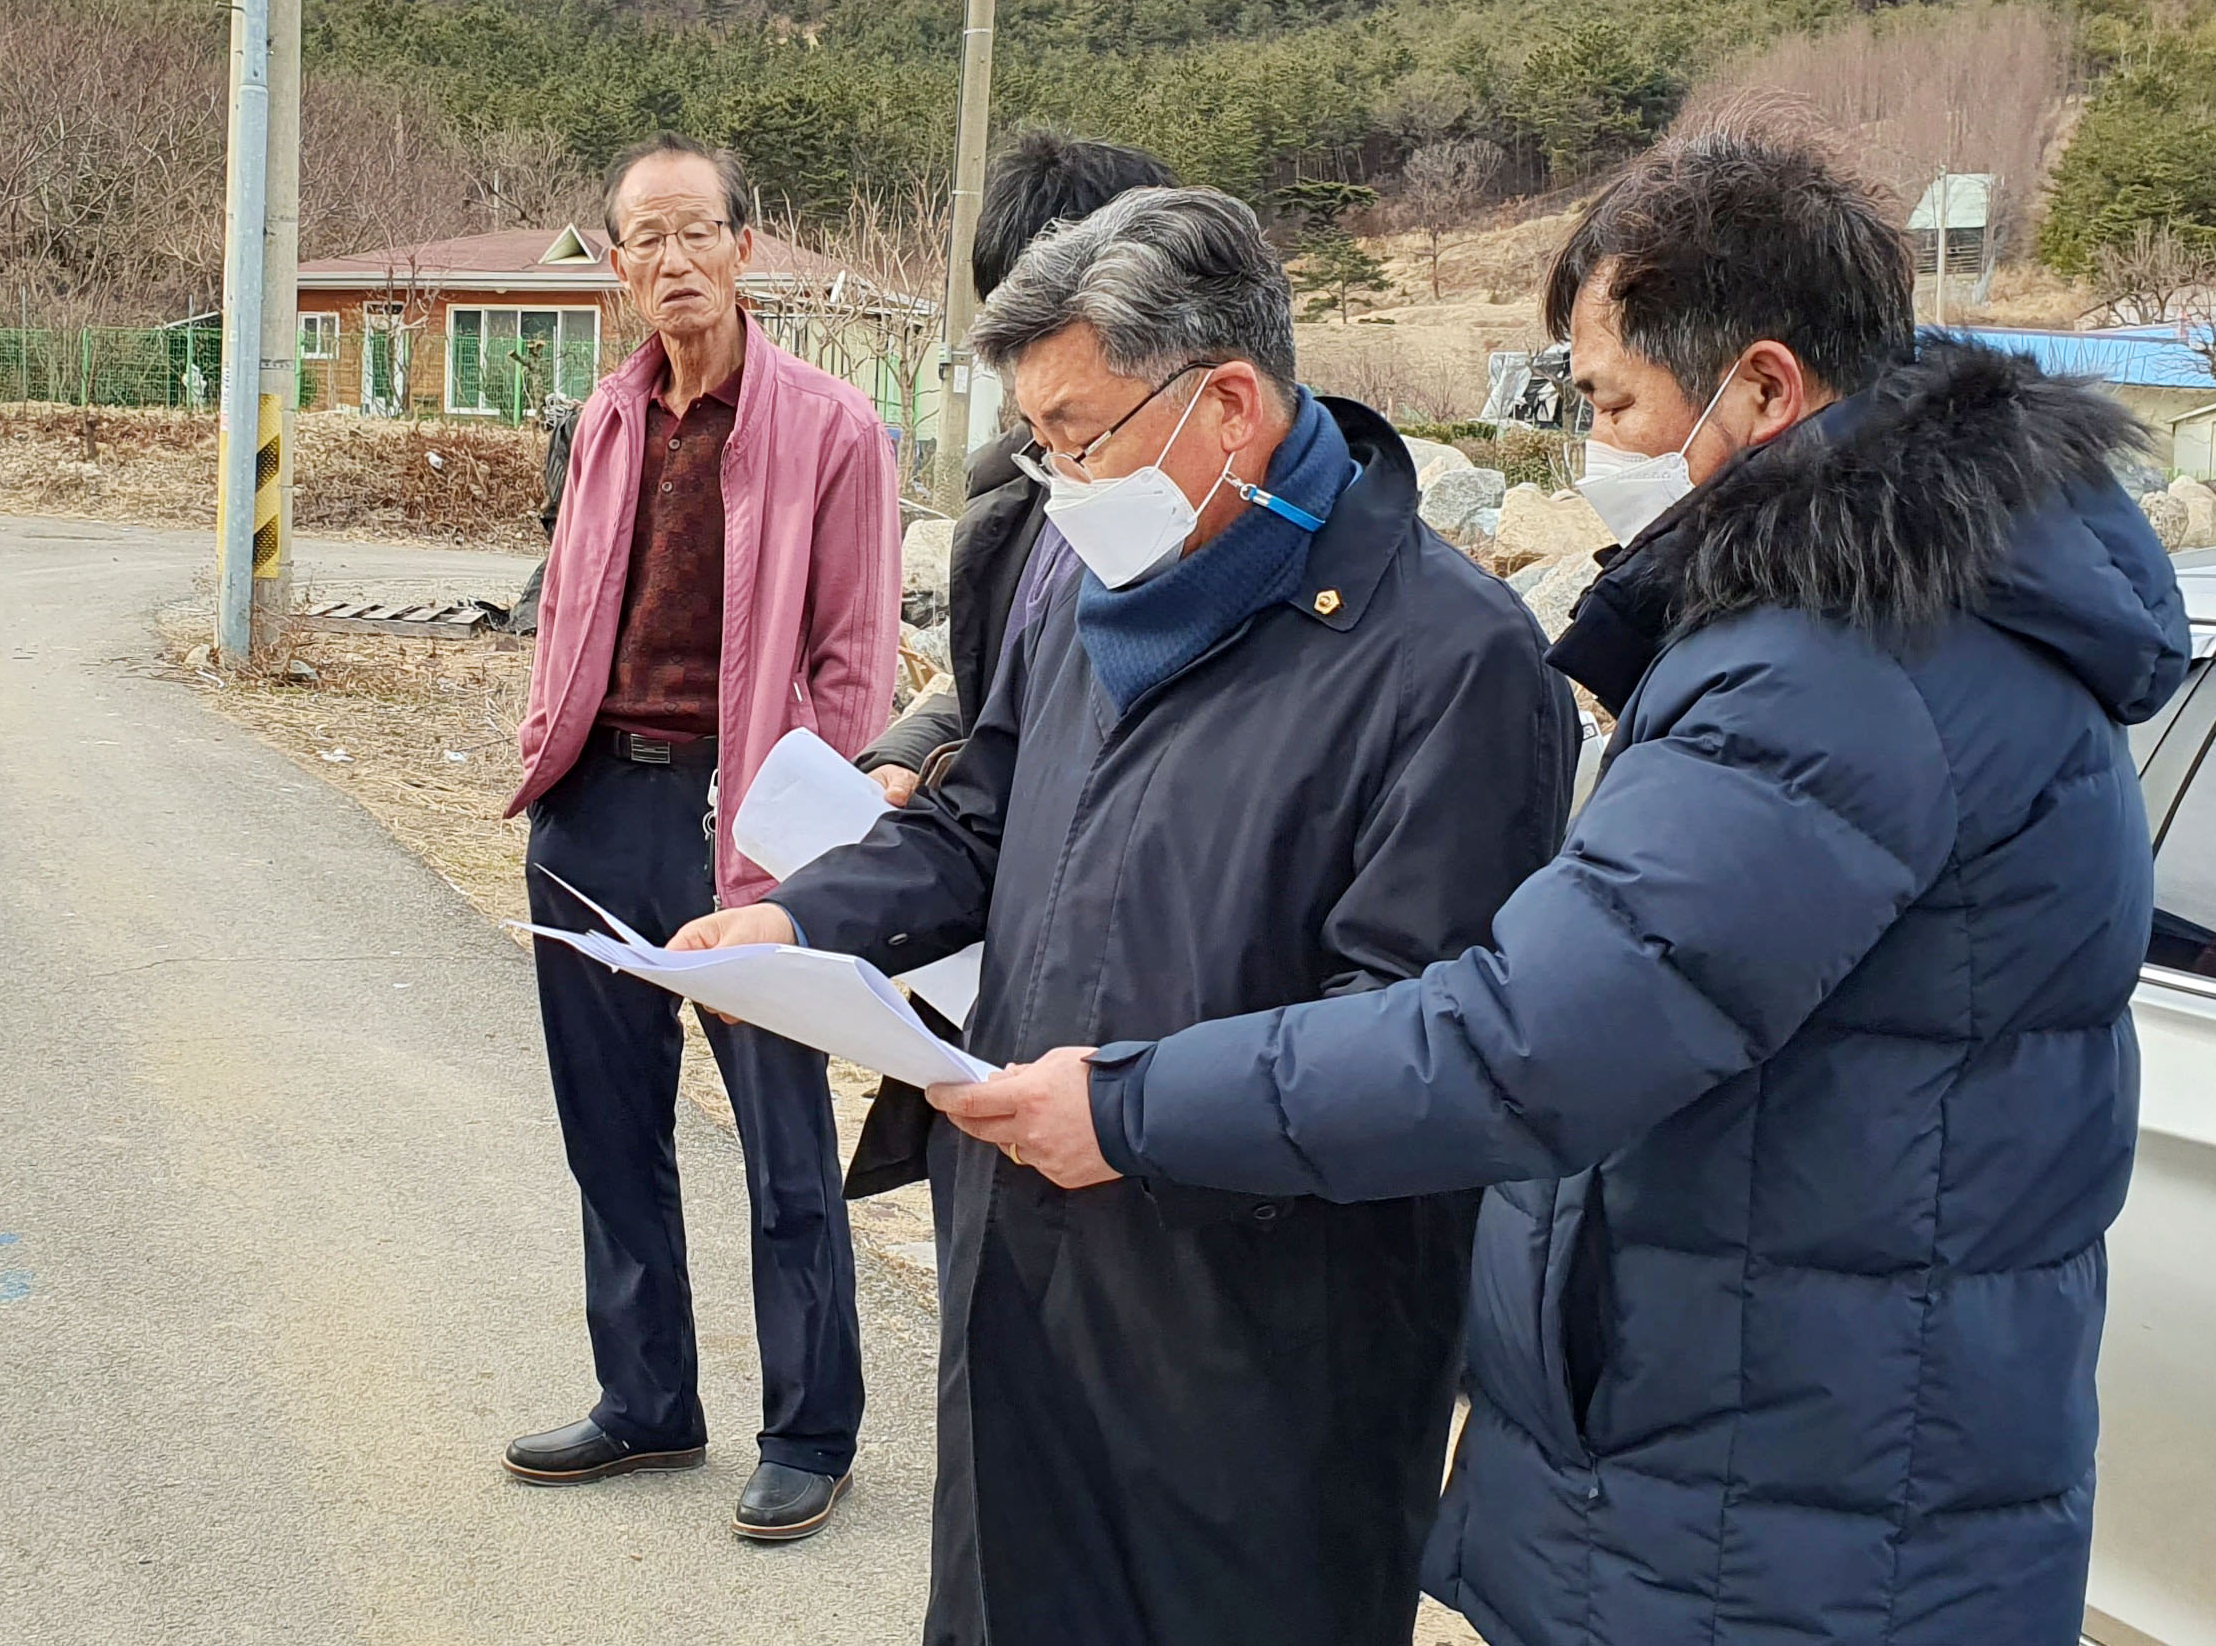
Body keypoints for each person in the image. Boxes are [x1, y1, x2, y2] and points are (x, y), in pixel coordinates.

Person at [956, 133, 2193, 1644]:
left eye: (1609, 399)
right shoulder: (1869, 620)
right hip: (1778, 1430)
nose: (1591, 440)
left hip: (1780, 1487)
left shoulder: (1836, 667)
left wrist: (1130, 1101)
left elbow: (1527, 1035)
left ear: (1756, 386)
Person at [671, 186, 1580, 1645]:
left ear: (1225, 403)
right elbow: (981, 820)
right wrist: (806, 925)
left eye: (1079, 434)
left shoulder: (1455, 667)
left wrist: (1135, 1110)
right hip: (1026, 1278)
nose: (1053, 474)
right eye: (1037, 439)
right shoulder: (1091, 591)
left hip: (1261, 1351)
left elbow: (1422, 1044)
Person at [500, 133, 899, 1543]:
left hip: (747, 817)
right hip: (594, 802)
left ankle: (811, 1426)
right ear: (614, 263)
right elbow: (568, 601)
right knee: (608, 1130)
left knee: (782, 1139)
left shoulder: (835, 427)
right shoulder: (602, 417)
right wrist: (545, 757)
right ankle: (648, 1396)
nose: (669, 261)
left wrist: (819, 835)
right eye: (641, 239)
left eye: (693, 233)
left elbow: (856, 656)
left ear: (743, 243)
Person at [845, 130, 1177, 1202]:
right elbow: (998, 700)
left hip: (1151, 1062)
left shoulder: (1211, 517)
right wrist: (906, 758)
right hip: (996, 1006)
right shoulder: (1017, 508)